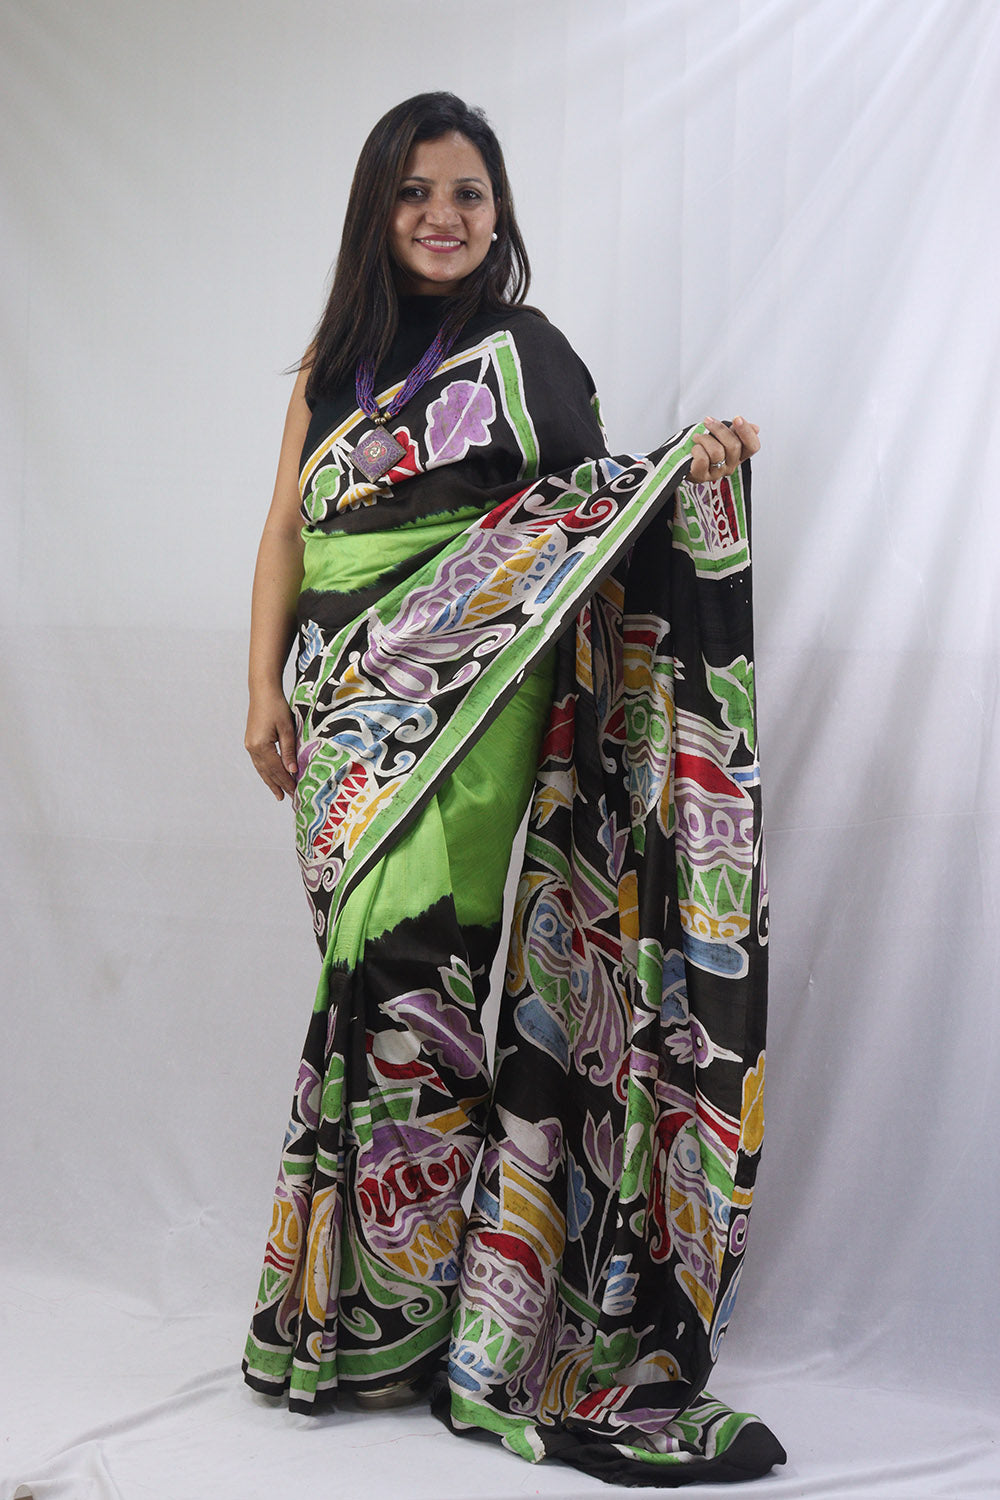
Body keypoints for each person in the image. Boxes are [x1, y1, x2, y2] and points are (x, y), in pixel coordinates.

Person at [243, 91, 783, 1487]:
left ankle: (431, 1324)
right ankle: (355, 1317)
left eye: (468, 193)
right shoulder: (331, 368)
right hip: (339, 726)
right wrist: (259, 690)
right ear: (377, 209)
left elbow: (596, 518)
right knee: (359, 987)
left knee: (422, 984)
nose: (443, 215)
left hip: (471, 735)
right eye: (417, 191)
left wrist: (694, 468)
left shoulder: (528, 358)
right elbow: (283, 531)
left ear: (499, 214)